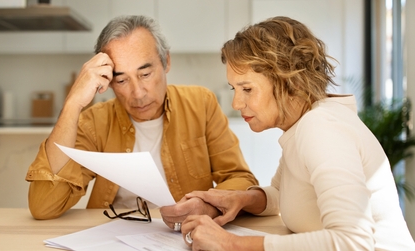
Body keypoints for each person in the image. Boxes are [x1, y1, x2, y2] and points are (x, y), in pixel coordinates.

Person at [179, 16, 415, 251]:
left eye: (247, 89)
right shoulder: (303, 125)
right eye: (234, 89)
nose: (236, 103)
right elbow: (284, 196)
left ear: (293, 83)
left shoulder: (321, 129)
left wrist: (231, 243)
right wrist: (240, 199)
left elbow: (353, 241)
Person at [25, 15, 258, 221]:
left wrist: (207, 205)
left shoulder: (201, 104)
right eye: (122, 80)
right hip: (113, 237)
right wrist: (72, 104)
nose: (138, 93)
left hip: (182, 236)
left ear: (166, 62)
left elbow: (241, 179)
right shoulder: (94, 122)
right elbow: (44, 207)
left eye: (145, 74)